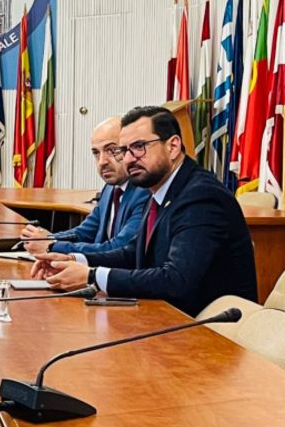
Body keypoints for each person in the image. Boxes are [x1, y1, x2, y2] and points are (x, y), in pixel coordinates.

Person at [32, 106, 258, 316]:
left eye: (139, 147)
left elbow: (176, 280)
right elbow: (133, 253)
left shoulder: (201, 196)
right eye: (124, 150)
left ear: (173, 146)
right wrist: (73, 260)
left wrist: (93, 276)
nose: (129, 159)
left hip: (210, 330)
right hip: (167, 316)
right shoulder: (160, 188)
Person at [21, 116, 149, 255]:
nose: (102, 161)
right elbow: (84, 232)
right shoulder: (110, 188)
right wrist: (47, 238)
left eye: (111, 150)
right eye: (96, 153)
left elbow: (119, 248)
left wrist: (52, 246)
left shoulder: (145, 192)